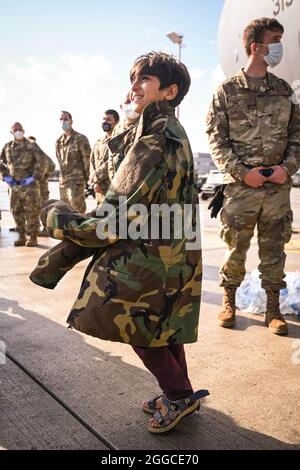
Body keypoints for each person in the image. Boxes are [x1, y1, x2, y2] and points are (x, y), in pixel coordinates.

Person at [31, 51, 208, 433]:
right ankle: (180, 392)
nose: (133, 86)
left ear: (170, 91)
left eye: (144, 79)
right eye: (133, 79)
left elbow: (110, 217)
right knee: (164, 326)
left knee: (136, 325)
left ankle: (177, 395)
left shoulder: (154, 138)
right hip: (172, 248)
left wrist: (57, 219)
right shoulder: (171, 131)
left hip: (146, 254)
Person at [206, 18, 300, 336]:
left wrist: (286, 168)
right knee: (235, 247)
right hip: (241, 189)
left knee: (274, 249)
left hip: (277, 187)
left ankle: (273, 309)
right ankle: (229, 301)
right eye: (274, 39)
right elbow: (216, 140)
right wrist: (243, 173)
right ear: (255, 46)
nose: (278, 46)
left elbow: (297, 136)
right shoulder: (226, 91)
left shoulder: (284, 91)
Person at [0, 123, 46, 247]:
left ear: (24, 131)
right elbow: (1, 163)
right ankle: (21, 236)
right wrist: (4, 176)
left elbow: (43, 161)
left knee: (32, 212)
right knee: (16, 211)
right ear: (11, 132)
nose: (18, 132)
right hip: (14, 187)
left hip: (29, 187)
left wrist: (34, 177)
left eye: (20, 129)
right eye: (15, 130)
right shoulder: (7, 147)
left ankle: (33, 237)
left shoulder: (31, 146)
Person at [56, 111, 91, 213]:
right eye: (61, 119)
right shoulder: (59, 141)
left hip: (76, 181)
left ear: (71, 121)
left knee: (78, 211)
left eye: (66, 119)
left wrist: (88, 179)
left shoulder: (80, 138)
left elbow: (87, 159)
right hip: (63, 182)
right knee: (64, 211)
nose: (63, 121)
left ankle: (80, 229)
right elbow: (60, 161)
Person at [89, 110, 119, 205]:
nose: (105, 122)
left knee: (113, 218)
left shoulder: (119, 140)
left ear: (116, 122)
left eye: (109, 120)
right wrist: (95, 183)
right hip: (98, 189)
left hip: (113, 189)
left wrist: (95, 177)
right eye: (104, 119)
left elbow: (112, 161)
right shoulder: (99, 142)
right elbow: (92, 161)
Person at [28, 136, 55, 236]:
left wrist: (43, 177)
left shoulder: (41, 155)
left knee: (44, 207)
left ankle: (45, 228)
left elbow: (52, 165)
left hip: (42, 187)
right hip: (32, 188)